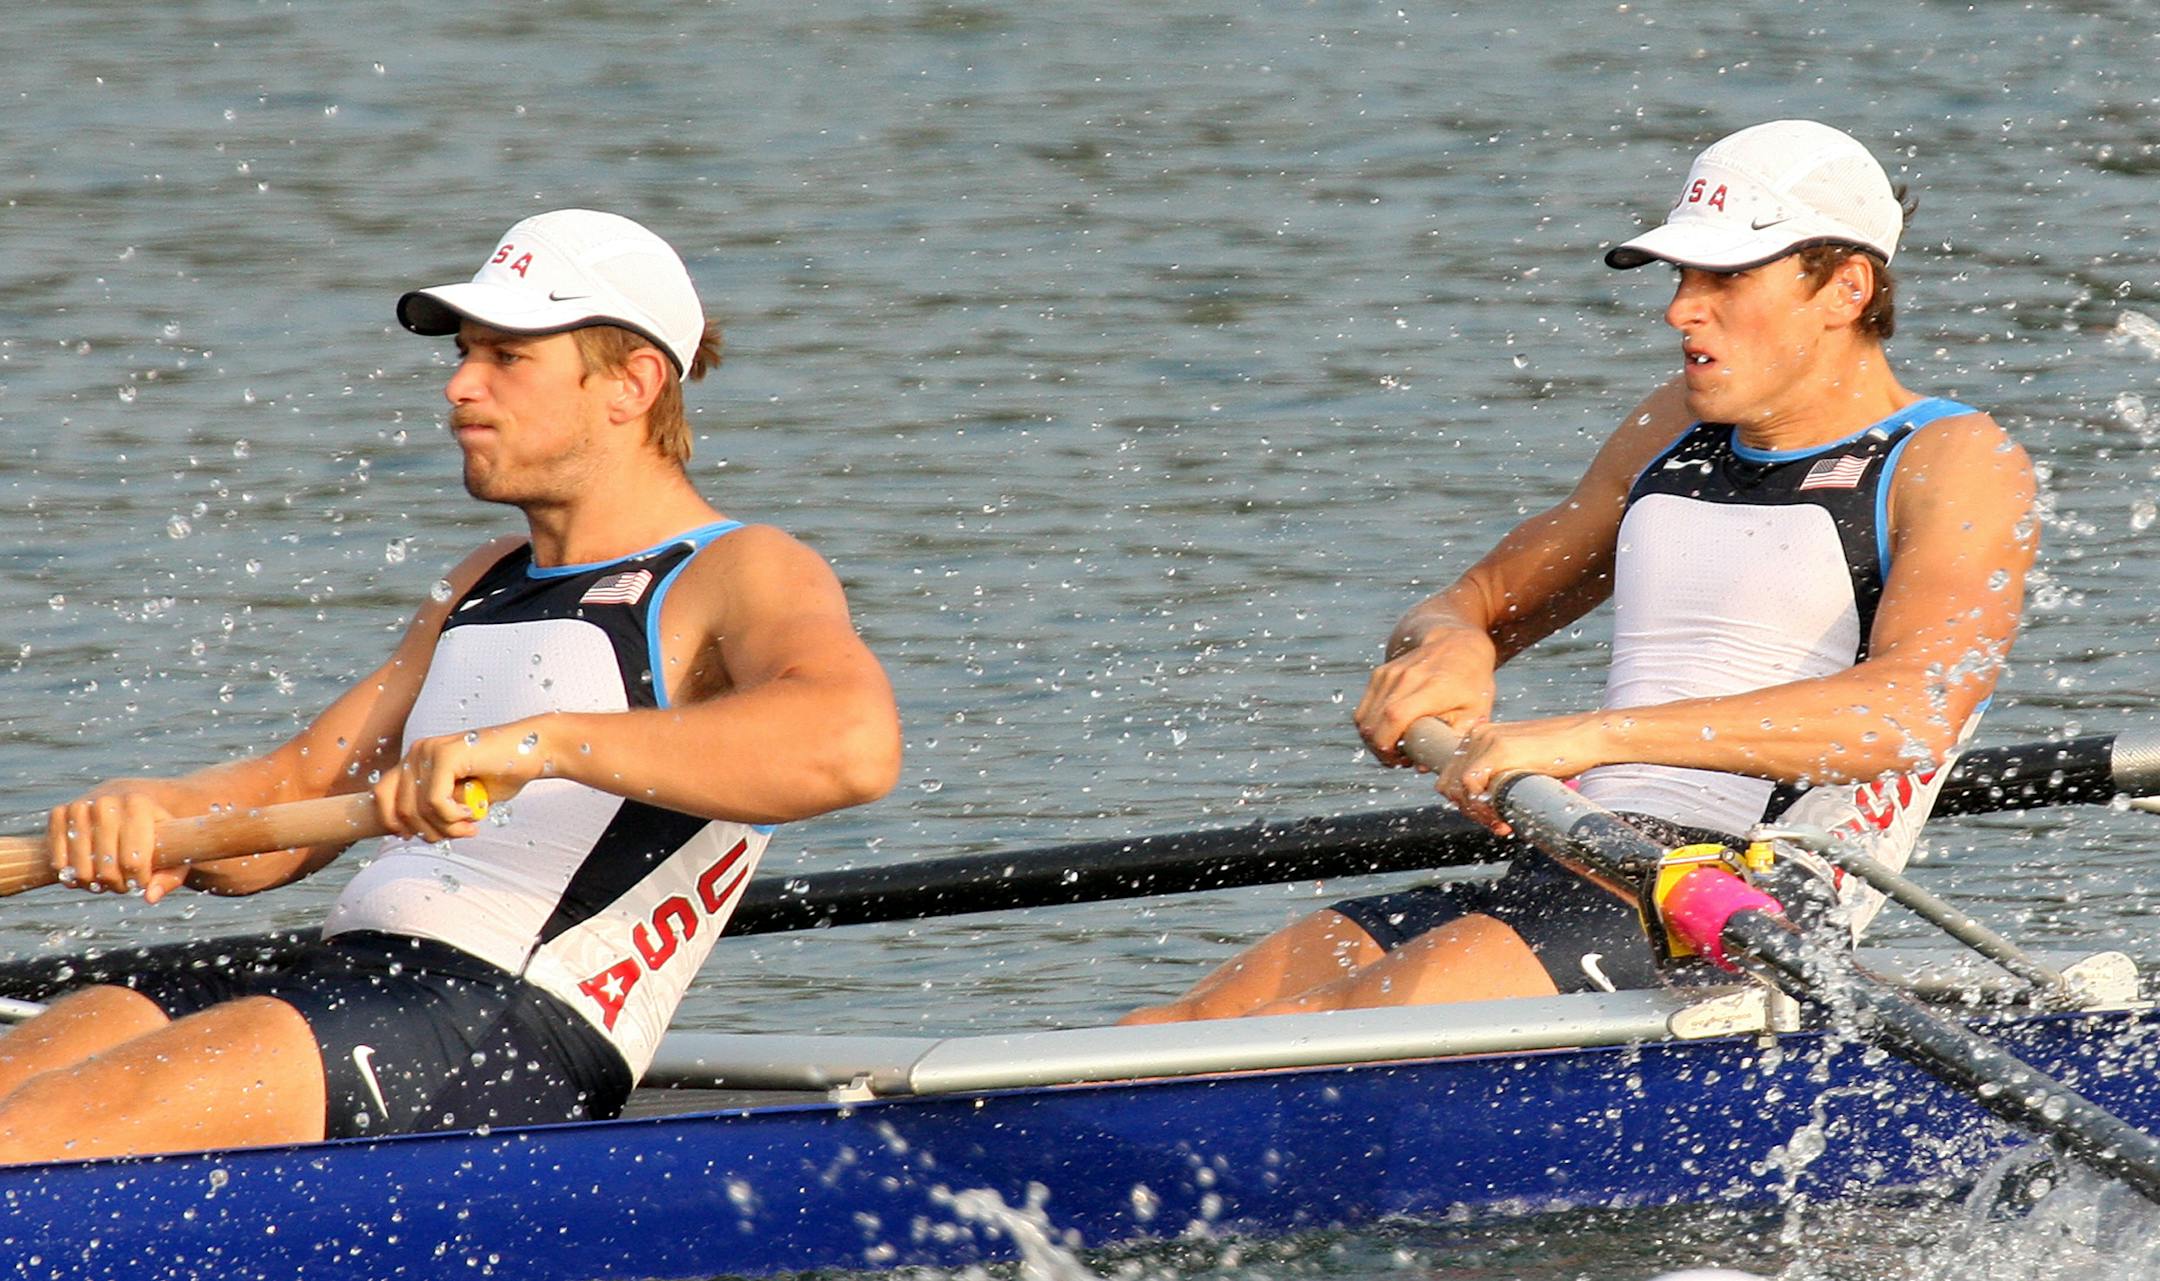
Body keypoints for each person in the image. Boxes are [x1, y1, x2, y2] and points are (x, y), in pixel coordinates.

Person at [0, 209, 902, 1161]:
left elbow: (852, 744)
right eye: (466, 353)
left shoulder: (740, 569)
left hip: (505, 1028)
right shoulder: (482, 581)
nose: (459, 385)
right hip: (346, 981)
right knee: (94, 1018)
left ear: (631, 384)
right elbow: (302, 789)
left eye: (507, 358)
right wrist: (149, 809)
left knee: (32, 1136)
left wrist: (538, 744)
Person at [1127, 120, 2036, 1023]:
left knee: (1294, 1045)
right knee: (1163, 1036)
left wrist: (1587, 739)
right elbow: (1463, 606)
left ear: (1845, 287)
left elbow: (1911, 713)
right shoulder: (1670, 428)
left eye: (1725, 276)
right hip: (1570, 869)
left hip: (1732, 916)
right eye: (1682, 276)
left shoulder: (1952, 458)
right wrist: (1451, 647)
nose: (1682, 308)